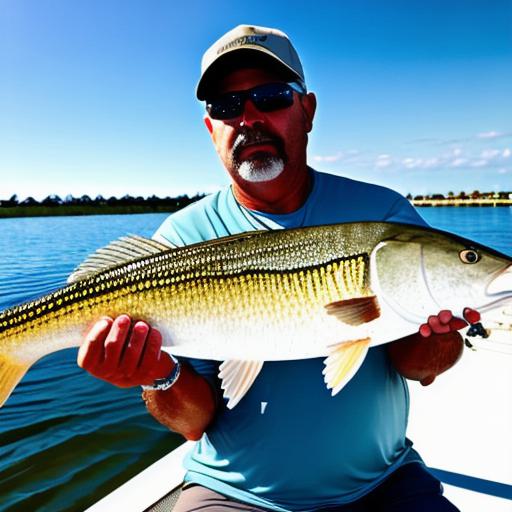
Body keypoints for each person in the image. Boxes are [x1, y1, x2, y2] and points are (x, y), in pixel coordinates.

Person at [78, 25, 474, 512]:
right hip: (232, 492)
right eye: (226, 106)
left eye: (269, 97)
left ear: (306, 111)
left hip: (383, 482)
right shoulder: (181, 237)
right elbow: (193, 423)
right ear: (210, 129)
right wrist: (156, 374)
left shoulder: (382, 213)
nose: (248, 118)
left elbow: (419, 366)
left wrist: (439, 334)